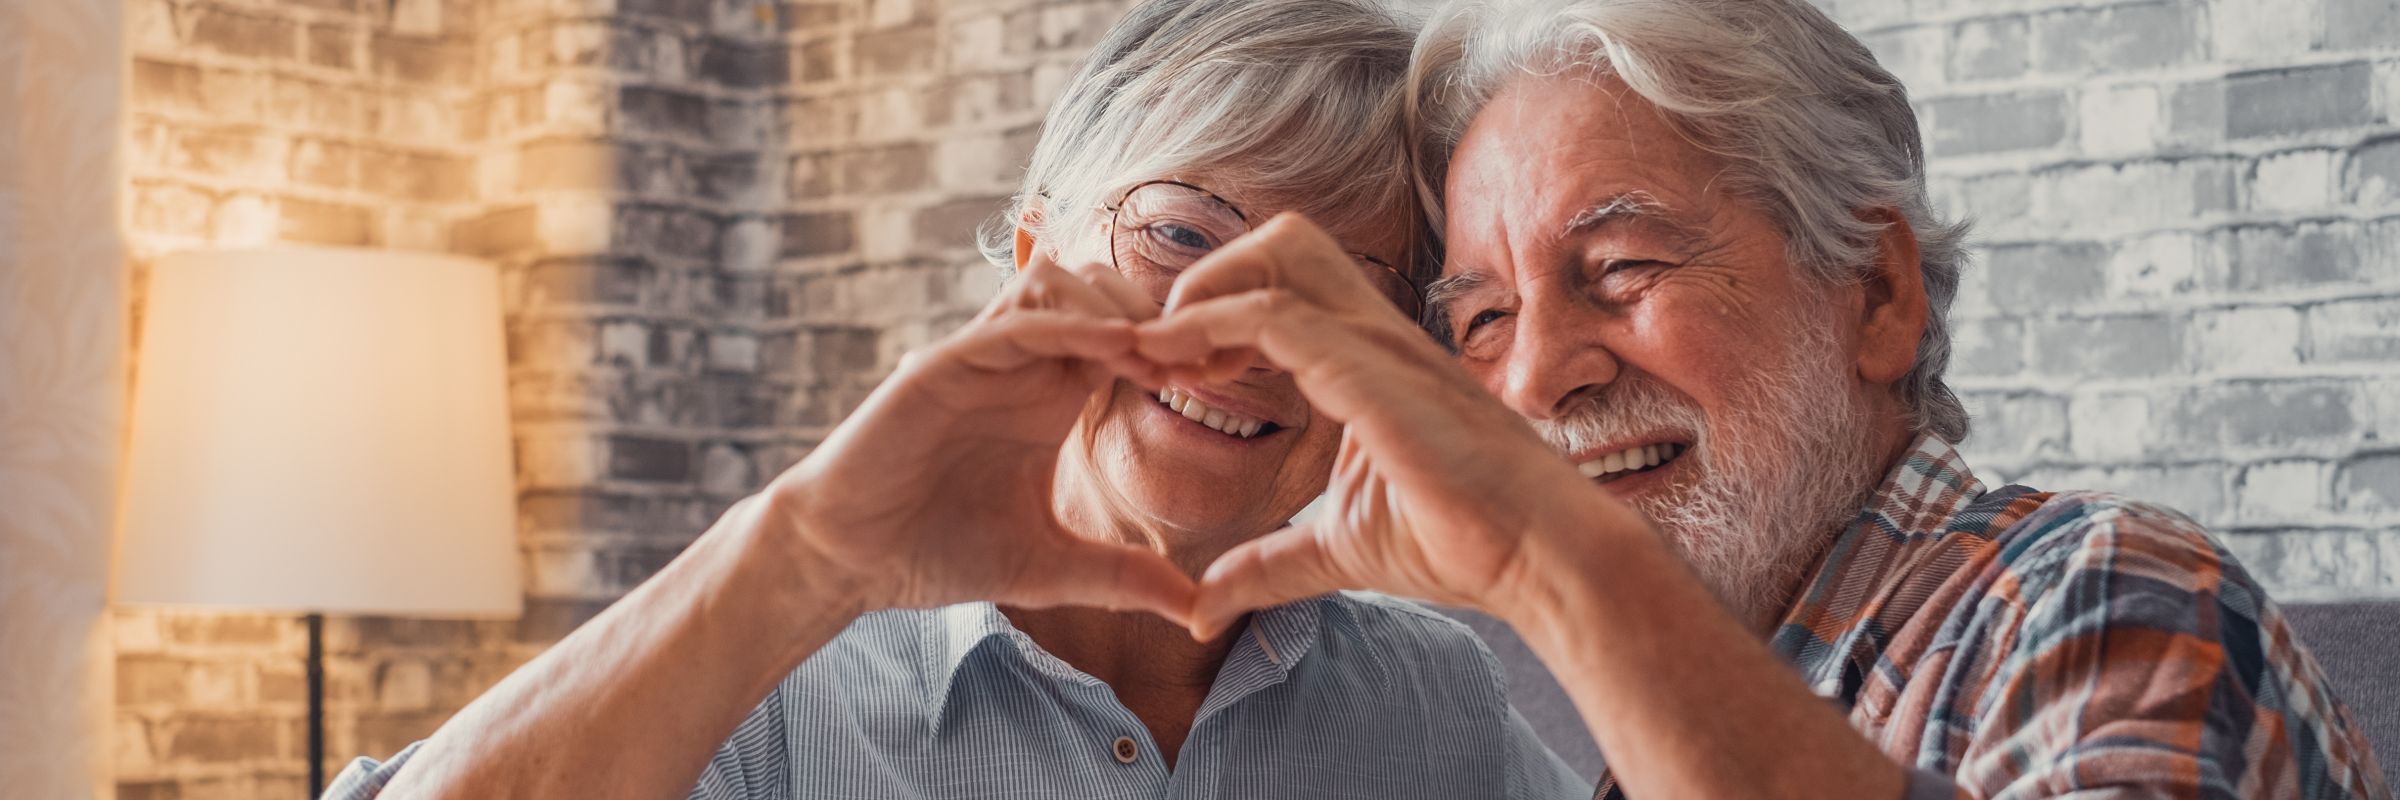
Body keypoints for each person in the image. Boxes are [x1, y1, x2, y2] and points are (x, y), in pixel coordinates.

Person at [321, 1, 1589, 798]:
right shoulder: (764, 683)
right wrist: (806, 552)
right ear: (1038, 257)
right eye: (1182, 233)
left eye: (1342, 292)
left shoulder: (1438, 699)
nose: (1233, 337)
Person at [1126, 0, 2394, 797]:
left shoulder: (2103, 595)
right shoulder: (1675, 717)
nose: (1535, 374)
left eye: (1622, 270)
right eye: (1483, 318)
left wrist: (1564, 574)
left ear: (1879, 293)